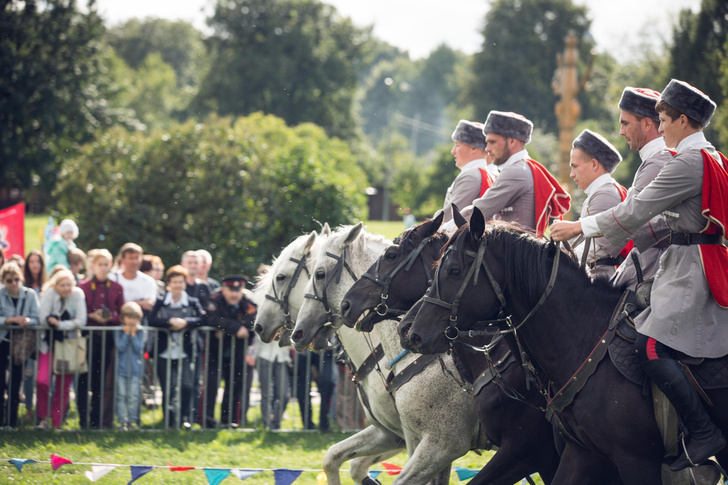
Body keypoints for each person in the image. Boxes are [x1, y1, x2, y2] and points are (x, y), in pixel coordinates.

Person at [551, 79, 727, 470]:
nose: (659, 127)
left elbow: (635, 214)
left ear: (683, 119)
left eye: (664, 119)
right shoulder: (713, 157)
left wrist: (577, 228)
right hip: (698, 259)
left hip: (690, 267)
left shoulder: (686, 161)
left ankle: (701, 432)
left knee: (649, 347)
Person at [611, 86, 674, 289]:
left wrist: (581, 228)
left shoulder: (657, 162)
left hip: (654, 269)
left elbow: (631, 222)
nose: (621, 131)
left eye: (625, 124)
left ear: (647, 123)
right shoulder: (655, 159)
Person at [470, 111, 570, 234]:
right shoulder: (521, 167)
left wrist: (444, 227)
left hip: (514, 252)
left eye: (492, 142)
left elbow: (480, 211)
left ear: (512, 142)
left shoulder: (515, 171)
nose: (487, 149)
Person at [149, 265, 204, 429]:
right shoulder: (160, 301)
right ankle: (169, 420)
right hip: (164, 351)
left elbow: (203, 319)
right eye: (174, 282)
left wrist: (186, 322)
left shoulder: (192, 302)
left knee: (187, 384)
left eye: (180, 282)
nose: (178, 285)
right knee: (167, 387)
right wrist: (169, 323)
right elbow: (151, 320)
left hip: (184, 351)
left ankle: (183, 417)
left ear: (184, 283)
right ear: (169, 283)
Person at [568, 129, 626, 279]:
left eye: (575, 166)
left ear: (594, 164)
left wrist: (560, 257)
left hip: (600, 282)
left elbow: (599, 248)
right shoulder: (598, 193)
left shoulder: (605, 194)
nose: (571, 174)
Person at [77, 249, 124, 429]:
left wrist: (109, 318)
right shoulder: (83, 287)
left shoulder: (117, 288)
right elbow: (80, 314)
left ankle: (96, 422)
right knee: (83, 380)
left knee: (100, 381)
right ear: (92, 266)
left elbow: (122, 314)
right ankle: (82, 422)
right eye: (100, 264)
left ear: (110, 265)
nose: (103, 268)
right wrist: (92, 316)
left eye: (106, 264)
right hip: (88, 337)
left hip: (107, 339)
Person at [202, 275, 257, 428]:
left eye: (237, 290)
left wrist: (224, 328)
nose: (234, 294)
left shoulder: (248, 302)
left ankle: (229, 420)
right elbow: (211, 319)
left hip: (237, 353)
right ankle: (207, 421)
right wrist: (236, 328)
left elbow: (252, 321)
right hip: (214, 352)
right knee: (211, 386)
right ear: (224, 289)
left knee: (234, 386)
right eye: (231, 290)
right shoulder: (214, 300)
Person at [38, 268, 87, 429]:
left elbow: (81, 319)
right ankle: (43, 418)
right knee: (43, 380)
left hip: (69, 345)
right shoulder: (49, 294)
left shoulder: (78, 295)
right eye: (62, 285)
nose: (66, 288)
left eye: (69, 285)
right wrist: (56, 323)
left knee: (63, 386)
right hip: (49, 344)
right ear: (55, 285)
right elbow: (43, 318)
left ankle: (57, 423)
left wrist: (59, 324)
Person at [0, 263, 40, 428]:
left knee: (16, 383)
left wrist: (28, 321)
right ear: (3, 281)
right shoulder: (0, 294)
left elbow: (38, 318)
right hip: (2, 341)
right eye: (10, 280)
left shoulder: (30, 294)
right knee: (0, 383)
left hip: (21, 344)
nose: (14, 283)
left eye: (17, 279)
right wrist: (10, 320)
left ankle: (11, 422)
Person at [441, 120, 496, 223]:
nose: (452, 151)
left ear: (474, 148)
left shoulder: (471, 176)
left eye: (457, 145)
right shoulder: (485, 173)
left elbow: (448, 217)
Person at [115, 301, 145, 431]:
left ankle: (132, 421)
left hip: (136, 369)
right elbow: (120, 347)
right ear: (123, 318)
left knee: (133, 396)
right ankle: (122, 421)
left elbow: (139, 348)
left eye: (135, 318)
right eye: (129, 317)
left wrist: (133, 335)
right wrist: (126, 334)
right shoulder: (118, 330)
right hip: (121, 369)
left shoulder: (141, 331)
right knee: (121, 395)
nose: (132, 321)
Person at [109, 243, 157, 314]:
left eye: (137, 258)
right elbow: (110, 304)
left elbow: (149, 305)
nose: (135, 262)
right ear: (122, 260)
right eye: (131, 258)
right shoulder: (112, 278)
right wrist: (141, 303)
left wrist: (122, 304)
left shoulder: (148, 281)